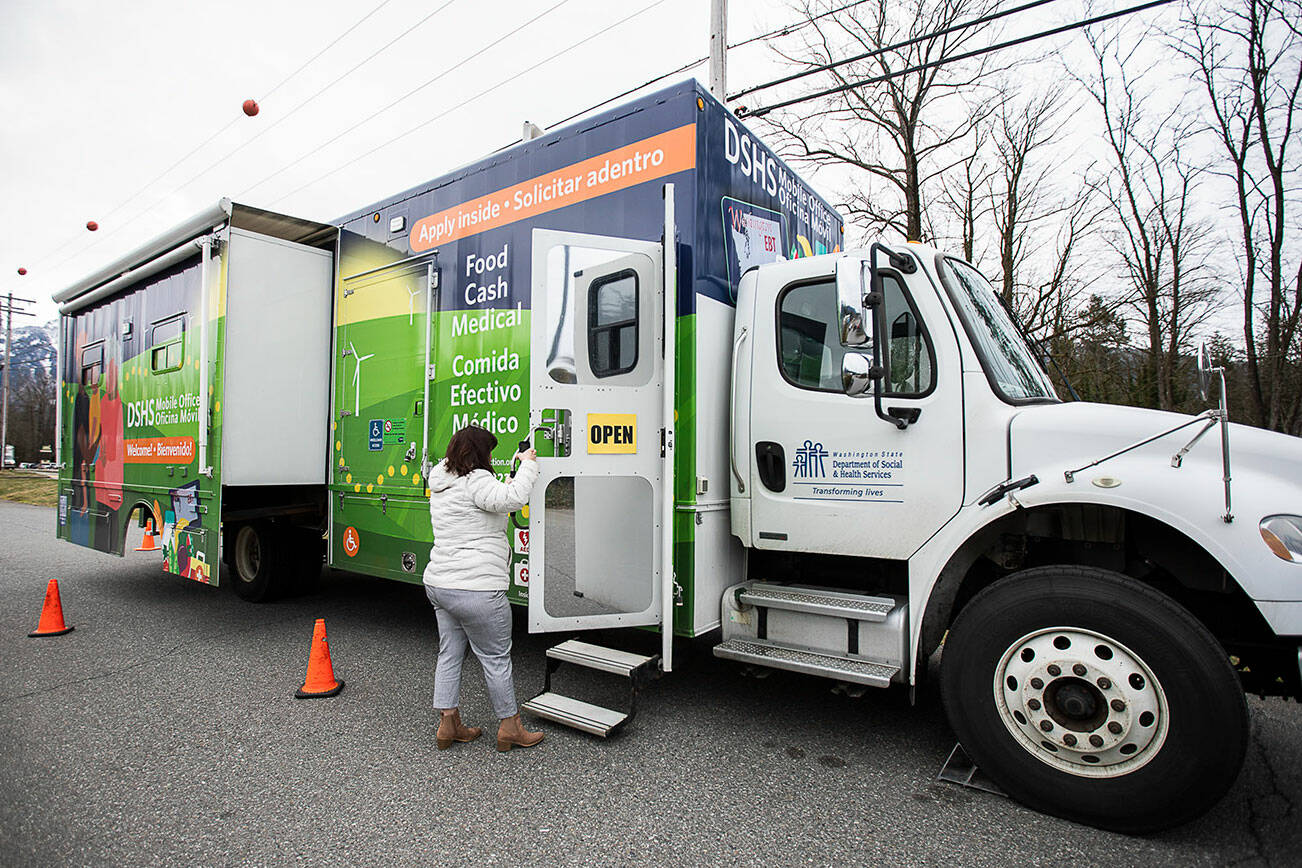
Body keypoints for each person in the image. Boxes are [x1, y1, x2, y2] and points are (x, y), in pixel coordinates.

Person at [424, 424, 543, 752]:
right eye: (489, 450)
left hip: (440, 585)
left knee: (449, 653)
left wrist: (512, 475)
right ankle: (510, 727)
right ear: (479, 453)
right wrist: (529, 465)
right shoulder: (477, 480)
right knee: (495, 658)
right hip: (476, 589)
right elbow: (514, 499)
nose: (491, 456)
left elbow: (492, 500)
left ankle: (448, 725)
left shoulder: (442, 480)